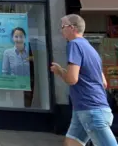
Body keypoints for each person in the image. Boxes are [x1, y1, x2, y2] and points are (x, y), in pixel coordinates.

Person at [50, 14, 117, 146]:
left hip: (90, 109)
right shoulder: (90, 48)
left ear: (72, 28)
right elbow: (103, 82)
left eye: (63, 27)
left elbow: (72, 79)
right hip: (86, 108)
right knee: (71, 142)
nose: (61, 30)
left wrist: (59, 71)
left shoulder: (74, 45)